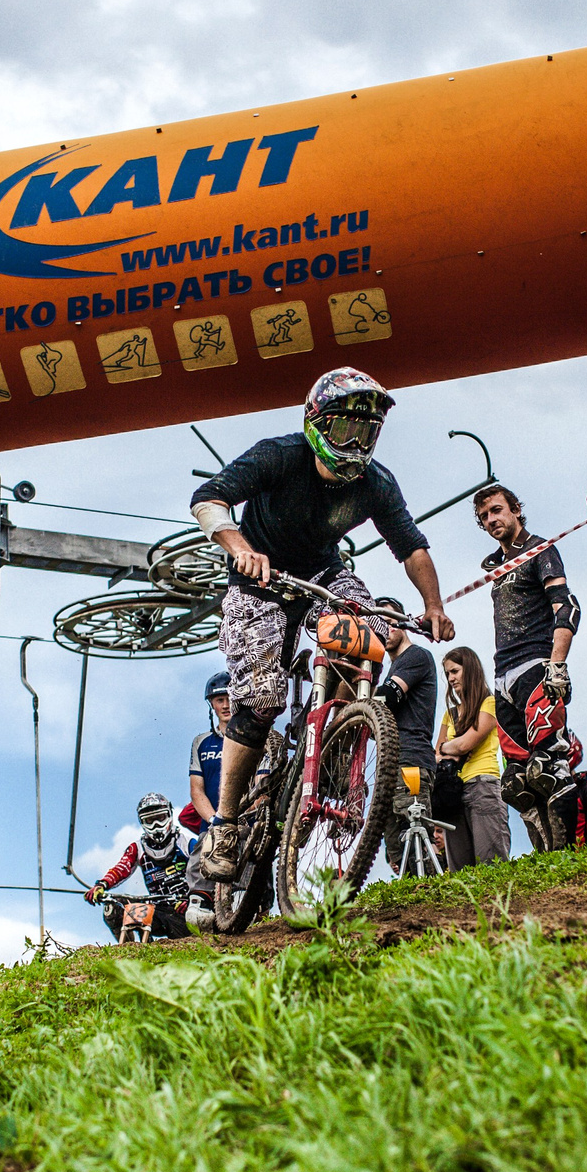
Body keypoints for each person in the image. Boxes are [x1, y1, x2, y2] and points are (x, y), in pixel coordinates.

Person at [190, 368, 457, 883]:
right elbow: (208, 498)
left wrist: (434, 604)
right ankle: (224, 824)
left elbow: (411, 545)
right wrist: (241, 551)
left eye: (367, 432)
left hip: (323, 578)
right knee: (261, 701)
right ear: (316, 423)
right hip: (258, 585)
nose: (355, 443)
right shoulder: (279, 454)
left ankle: (336, 735)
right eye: (344, 431)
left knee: (368, 630)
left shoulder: (376, 483)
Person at [472, 484, 587, 849]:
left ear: (515, 509)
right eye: (484, 516)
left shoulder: (540, 549)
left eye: (497, 510)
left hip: (536, 665)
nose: (491, 519)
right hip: (502, 674)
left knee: (550, 766)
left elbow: (566, 606)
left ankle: (567, 855)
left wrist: (557, 666)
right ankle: (546, 860)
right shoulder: (496, 568)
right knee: (516, 781)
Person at [371, 594, 446, 873]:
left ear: (404, 623)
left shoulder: (416, 656)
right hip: (391, 762)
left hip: (411, 760)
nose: (385, 629)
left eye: (390, 622)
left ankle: (433, 901)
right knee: (396, 849)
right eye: (378, 625)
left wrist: (361, 707)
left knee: (415, 835)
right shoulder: (394, 666)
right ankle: (414, 902)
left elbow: (388, 699)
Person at [436, 647, 512, 866]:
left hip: (484, 785)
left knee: (491, 863)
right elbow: (438, 752)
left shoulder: (489, 703)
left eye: (455, 671)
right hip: (453, 793)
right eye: (448, 673)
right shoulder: (449, 713)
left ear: (470, 669)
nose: (451, 678)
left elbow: (467, 743)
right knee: (459, 868)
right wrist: (453, 748)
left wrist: (449, 748)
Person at [86, 793, 197, 941]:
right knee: (113, 908)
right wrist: (102, 884)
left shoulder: (187, 842)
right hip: (156, 910)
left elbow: (205, 873)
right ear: (142, 822)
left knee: (184, 934)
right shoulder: (138, 848)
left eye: (160, 818)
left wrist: (195, 900)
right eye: (149, 820)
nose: (156, 825)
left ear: (169, 815)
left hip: (186, 908)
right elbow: (121, 868)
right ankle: (129, 952)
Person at [182, 671, 228, 834]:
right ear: (212, 704)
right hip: (210, 828)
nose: (225, 706)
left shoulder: (255, 740)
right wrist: (213, 821)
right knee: (195, 860)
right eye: (220, 700)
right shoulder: (200, 743)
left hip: (248, 825)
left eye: (230, 699)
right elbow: (196, 790)